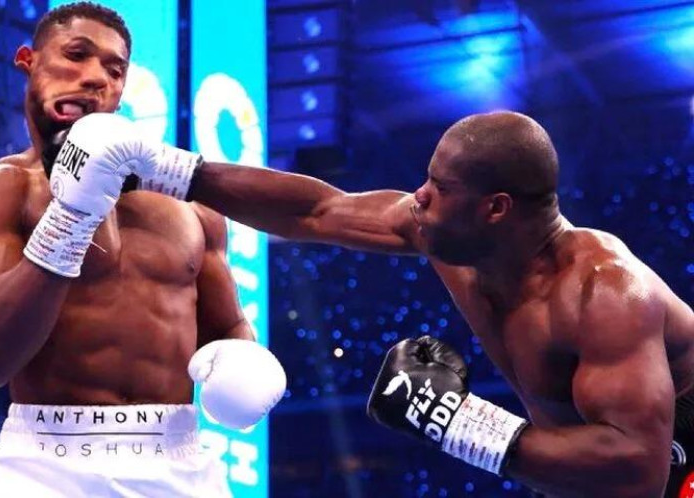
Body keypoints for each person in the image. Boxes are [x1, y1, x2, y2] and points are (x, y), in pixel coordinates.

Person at [131, 109, 694, 496]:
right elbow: (317, 211)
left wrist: (457, 422)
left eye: (439, 188)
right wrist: (171, 172)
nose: (418, 198)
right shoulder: (444, 234)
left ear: (495, 209)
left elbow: (639, 472)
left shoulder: (603, 292)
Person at [0, 3, 285, 497]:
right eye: (76, 55)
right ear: (28, 60)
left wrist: (245, 361)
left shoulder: (190, 205)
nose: (94, 77)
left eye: (114, 68)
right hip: (42, 465)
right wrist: (71, 218)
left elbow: (226, 325)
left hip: (179, 462)